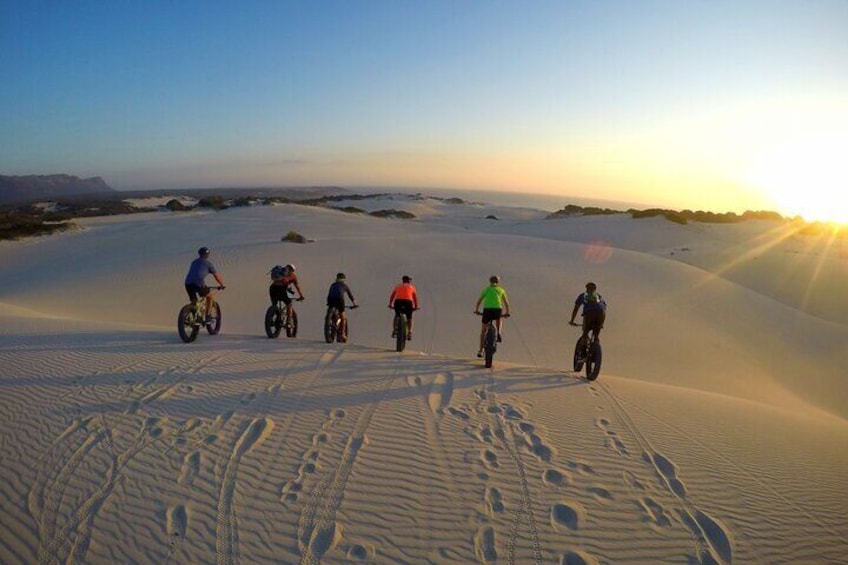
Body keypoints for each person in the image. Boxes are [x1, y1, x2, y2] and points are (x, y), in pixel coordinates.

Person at [184, 246, 225, 322]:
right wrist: (222, 285)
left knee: (194, 302)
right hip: (199, 283)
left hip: (188, 283)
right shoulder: (208, 264)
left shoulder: (194, 262)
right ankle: (208, 316)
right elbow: (216, 276)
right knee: (210, 296)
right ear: (207, 255)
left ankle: (194, 319)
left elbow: (195, 272)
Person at [474, 275, 510, 358]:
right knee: (499, 318)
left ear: (490, 281)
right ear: (497, 282)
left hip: (487, 310)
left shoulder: (486, 289)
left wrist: (476, 310)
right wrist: (507, 312)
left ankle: (481, 350)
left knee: (483, 331)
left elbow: (479, 301)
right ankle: (499, 333)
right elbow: (506, 303)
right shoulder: (501, 290)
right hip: (497, 309)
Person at [326, 272, 358, 341]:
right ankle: (342, 334)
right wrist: (354, 304)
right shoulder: (344, 286)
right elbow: (350, 296)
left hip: (330, 299)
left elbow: (329, 293)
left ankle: (331, 320)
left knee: (332, 310)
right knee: (343, 317)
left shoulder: (332, 285)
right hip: (339, 299)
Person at [388, 275, 419, 340]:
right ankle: (410, 332)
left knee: (397, 315)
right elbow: (415, 298)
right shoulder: (412, 287)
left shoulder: (398, 286)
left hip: (398, 302)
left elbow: (392, 296)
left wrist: (390, 304)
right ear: (408, 281)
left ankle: (395, 330)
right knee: (409, 317)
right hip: (408, 302)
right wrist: (416, 306)